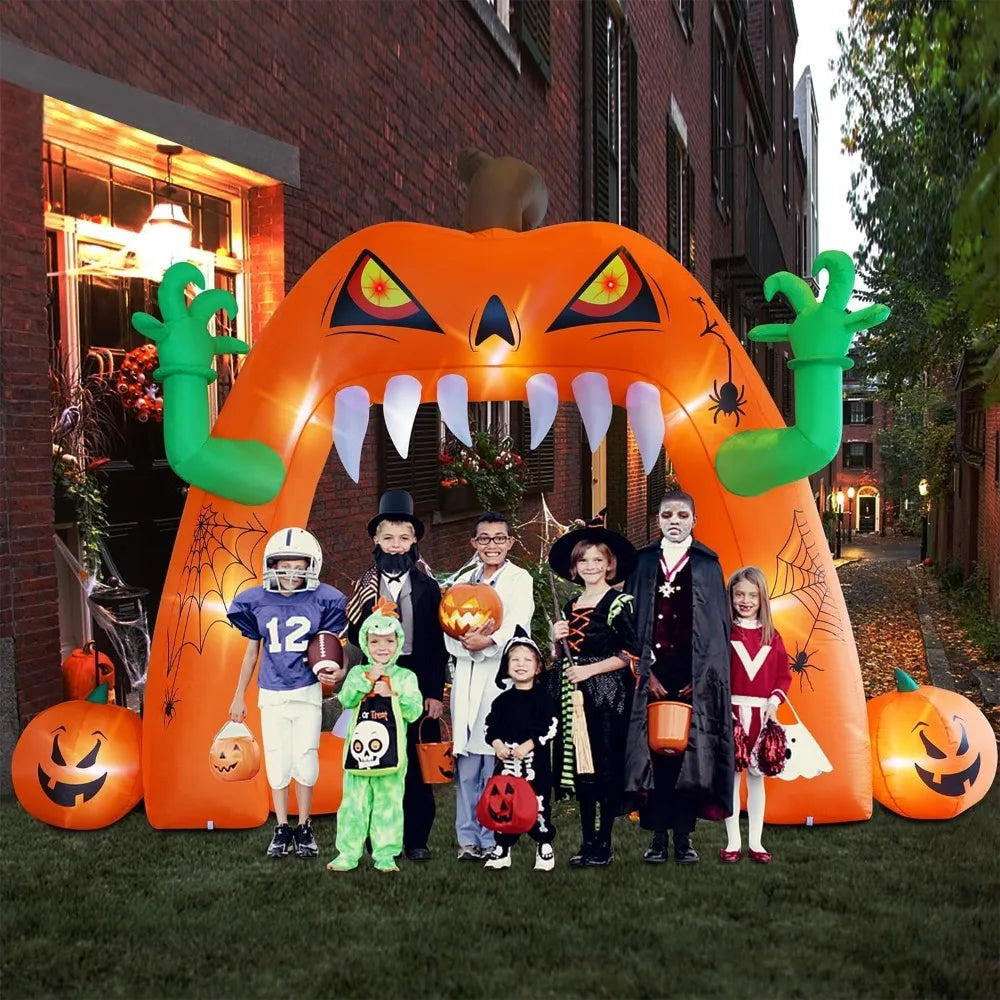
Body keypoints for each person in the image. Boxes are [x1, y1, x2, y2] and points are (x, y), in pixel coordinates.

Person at [623, 490, 734, 864]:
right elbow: (630, 624)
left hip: (693, 672)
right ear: (658, 520)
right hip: (653, 672)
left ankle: (684, 837)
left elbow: (717, 628)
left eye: (682, 515)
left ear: (694, 521)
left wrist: (701, 676)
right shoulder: (641, 564)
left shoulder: (706, 565)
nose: (674, 521)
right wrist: (645, 671)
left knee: (689, 753)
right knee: (655, 754)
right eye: (667, 515)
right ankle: (657, 836)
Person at [227, 527, 347, 859]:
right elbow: (252, 652)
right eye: (284, 565)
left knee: (306, 759)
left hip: (307, 690)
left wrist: (332, 671)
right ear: (271, 565)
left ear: (312, 566)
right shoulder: (256, 600)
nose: (291, 573)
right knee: (278, 760)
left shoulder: (323, 599)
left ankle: (304, 826)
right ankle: (282, 827)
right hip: (272, 693)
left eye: (298, 566)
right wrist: (238, 696)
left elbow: (327, 646)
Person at [345, 490, 448, 862]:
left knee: (416, 765)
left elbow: (437, 646)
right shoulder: (364, 587)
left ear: (414, 540)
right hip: (376, 682)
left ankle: (417, 838)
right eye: (387, 537)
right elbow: (354, 637)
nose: (395, 545)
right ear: (376, 539)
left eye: (403, 537)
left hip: (417, 682)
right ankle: (378, 838)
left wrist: (434, 693)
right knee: (378, 759)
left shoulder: (427, 586)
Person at [548, 522, 638, 867]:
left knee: (603, 767)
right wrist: (558, 640)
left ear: (609, 565)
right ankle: (587, 842)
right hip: (574, 697)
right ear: (575, 567)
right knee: (581, 769)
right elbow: (563, 658)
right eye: (583, 561)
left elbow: (632, 654)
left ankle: (605, 842)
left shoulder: (619, 603)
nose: (590, 566)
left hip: (605, 695)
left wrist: (590, 670)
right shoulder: (571, 606)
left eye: (597, 560)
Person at [447, 511, 535, 861]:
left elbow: (518, 623)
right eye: (484, 538)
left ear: (510, 543)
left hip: (498, 679)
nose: (492, 545)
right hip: (467, 678)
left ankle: (491, 836)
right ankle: (466, 839)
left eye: (500, 538)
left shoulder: (519, 580)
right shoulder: (463, 580)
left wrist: (489, 642)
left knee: (493, 764)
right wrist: (465, 644)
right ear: (474, 543)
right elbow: (449, 625)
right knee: (466, 767)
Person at [326, 604, 424, 873]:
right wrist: (368, 680)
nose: (383, 647)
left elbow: (414, 711)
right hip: (358, 755)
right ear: (366, 643)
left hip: (392, 756)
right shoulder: (358, 673)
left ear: (398, 642)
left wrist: (391, 693)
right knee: (353, 804)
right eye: (375, 641)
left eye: (390, 641)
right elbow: (346, 699)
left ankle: (385, 855)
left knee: (388, 804)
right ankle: (347, 854)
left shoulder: (406, 677)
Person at [722, 566, 791, 864]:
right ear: (731, 597)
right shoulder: (725, 633)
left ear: (762, 599)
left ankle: (756, 842)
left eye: (752, 595)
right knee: (731, 779)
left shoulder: (772, 637)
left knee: (756, 777)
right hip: (732, 714)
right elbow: (718, 674)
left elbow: (782, 677)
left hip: (762, 715)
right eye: (739, 594)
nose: (746, 600)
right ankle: (733, 841)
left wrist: (774, 705)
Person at [482, 626, 559, 871]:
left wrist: (531, 743)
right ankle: (502, 848)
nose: (521, 664)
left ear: (537, 667)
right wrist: (497, 744)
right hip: (508, 766)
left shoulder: (544, 698)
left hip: (534, 764)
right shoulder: (502, 701)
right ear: (506, 667)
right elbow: (490, 726)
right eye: (515, 660)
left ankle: (544, 845)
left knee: (538, 804)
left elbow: (552, 725)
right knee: (504, 806)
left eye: (527, 660)